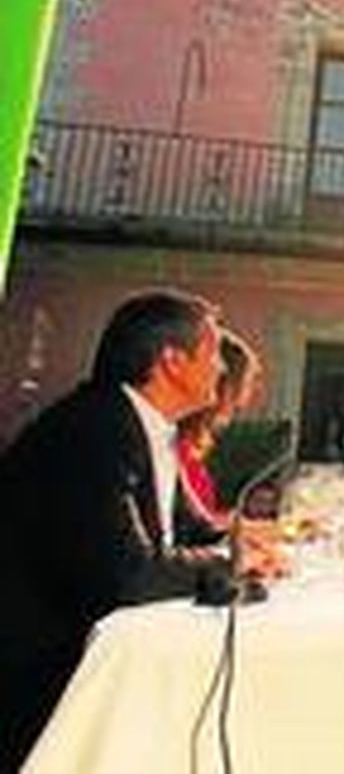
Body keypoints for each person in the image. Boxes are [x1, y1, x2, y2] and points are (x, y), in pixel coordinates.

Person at [0, 290, 229, 770]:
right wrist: (233, 562)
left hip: (92, 661)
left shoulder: (148, 426)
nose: (222, 369)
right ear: (172, 362)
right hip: (37, 686)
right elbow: (129, 576)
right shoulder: (92, 431)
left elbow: (194, 532)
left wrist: (256, 537)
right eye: (211, 353)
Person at [172, 330, 264, 547]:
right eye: (243, 384)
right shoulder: (169, 442)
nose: (245, 399)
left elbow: (200, 523)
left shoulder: (191, 442)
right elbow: (185, 540)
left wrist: (255, 526)